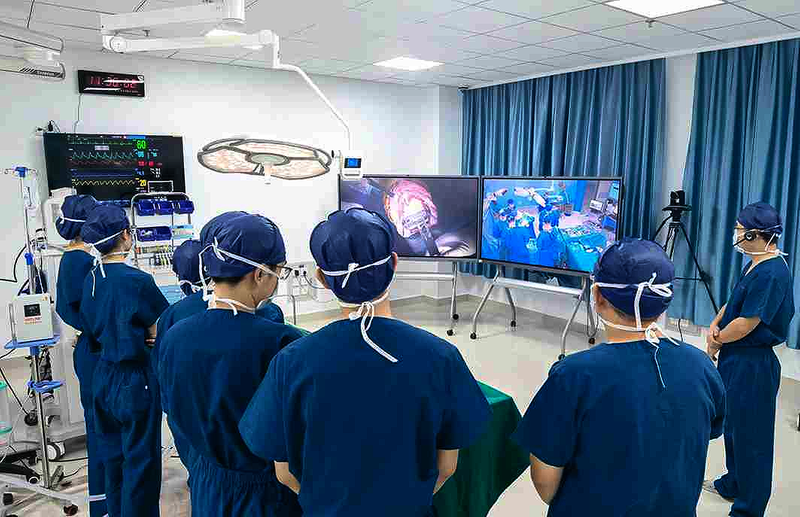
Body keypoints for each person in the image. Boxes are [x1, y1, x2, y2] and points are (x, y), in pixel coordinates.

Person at [239, 208, 492, 517]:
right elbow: (446, 468)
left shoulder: (291, 363)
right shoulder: (440, 357)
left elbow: (285, 473)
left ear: (321, 277)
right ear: (394, 263)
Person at [513, 238, 726, 516]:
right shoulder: (702, 366)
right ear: (664, 301)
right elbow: (704, 433)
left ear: (598, 296)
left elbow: (545, 481)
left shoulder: (574, 375)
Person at [157, 211, 303, 517]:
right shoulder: (280, 342)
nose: (278, 279)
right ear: (259, 274)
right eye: (278, 271)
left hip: (207, 483)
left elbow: (173, 410)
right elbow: (291, 432)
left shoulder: (174, 335)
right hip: (265, 493)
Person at [704, 202, 795, 517]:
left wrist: (716, 340)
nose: (736, 233)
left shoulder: (772, 272)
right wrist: (715, 324)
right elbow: (734, 304)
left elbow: (746, 324)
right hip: (736, 357)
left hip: (753, 364)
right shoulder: (755, 263)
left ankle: (749, 509)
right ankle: (734, 483)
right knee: (733, 428)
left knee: (752, 439)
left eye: (740, 229)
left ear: (754, 234)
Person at [79, 205, 169, 517]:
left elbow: (89, 328)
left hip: (102, 376)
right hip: (135, 380)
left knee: (113, 459)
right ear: (127, 235)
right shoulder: (138, 281)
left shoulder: (91, 279)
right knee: (141, 462)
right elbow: (158, 329)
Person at [54, 194, 107, 517]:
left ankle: (104, 500)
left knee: (99, 427)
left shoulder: (71, 259)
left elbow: (67, 308)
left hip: (90, 349)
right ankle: (105, 502)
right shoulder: (83, 264)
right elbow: (98, 310)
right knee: (104, 431)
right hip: (98, 352)